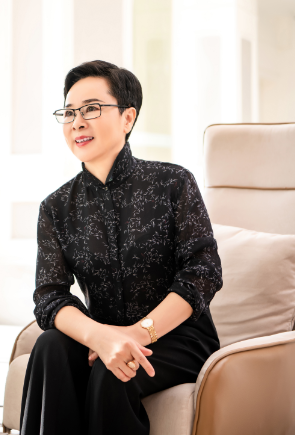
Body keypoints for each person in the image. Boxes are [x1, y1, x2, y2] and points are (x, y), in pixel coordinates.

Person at [19, 60, 223, 435]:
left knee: (115, 369)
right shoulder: (56, 207)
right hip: (104, 335)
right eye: (69, 112)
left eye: (91, 109)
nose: (77, 122)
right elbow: (49, 297)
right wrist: (100, 336)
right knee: (49, 347)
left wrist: (133, 336)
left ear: (128, 118)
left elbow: (203, 273)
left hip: (180, 338)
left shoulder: (173, 182)